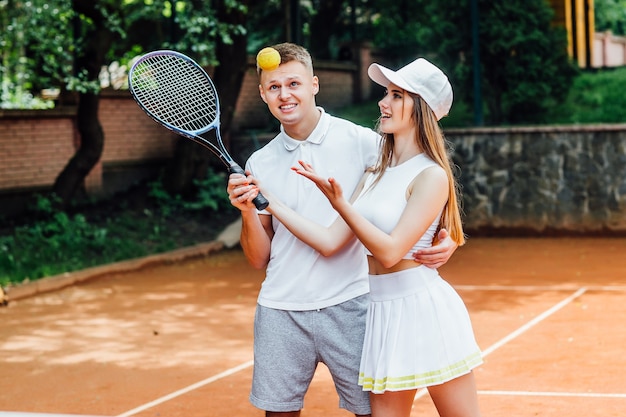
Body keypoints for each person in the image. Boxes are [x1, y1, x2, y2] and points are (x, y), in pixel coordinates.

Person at [227, 43, 458, 417]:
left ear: (314, 84)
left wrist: (443, 236)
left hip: (354, 307)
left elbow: (419, 181)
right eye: (274, 87)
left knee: (373, 412)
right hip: (280, 310)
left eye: (294, 83)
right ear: (262, 94)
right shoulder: (260, 162)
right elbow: (258, 259)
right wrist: (247, 212)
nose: (285, 95)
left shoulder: (365, 143)